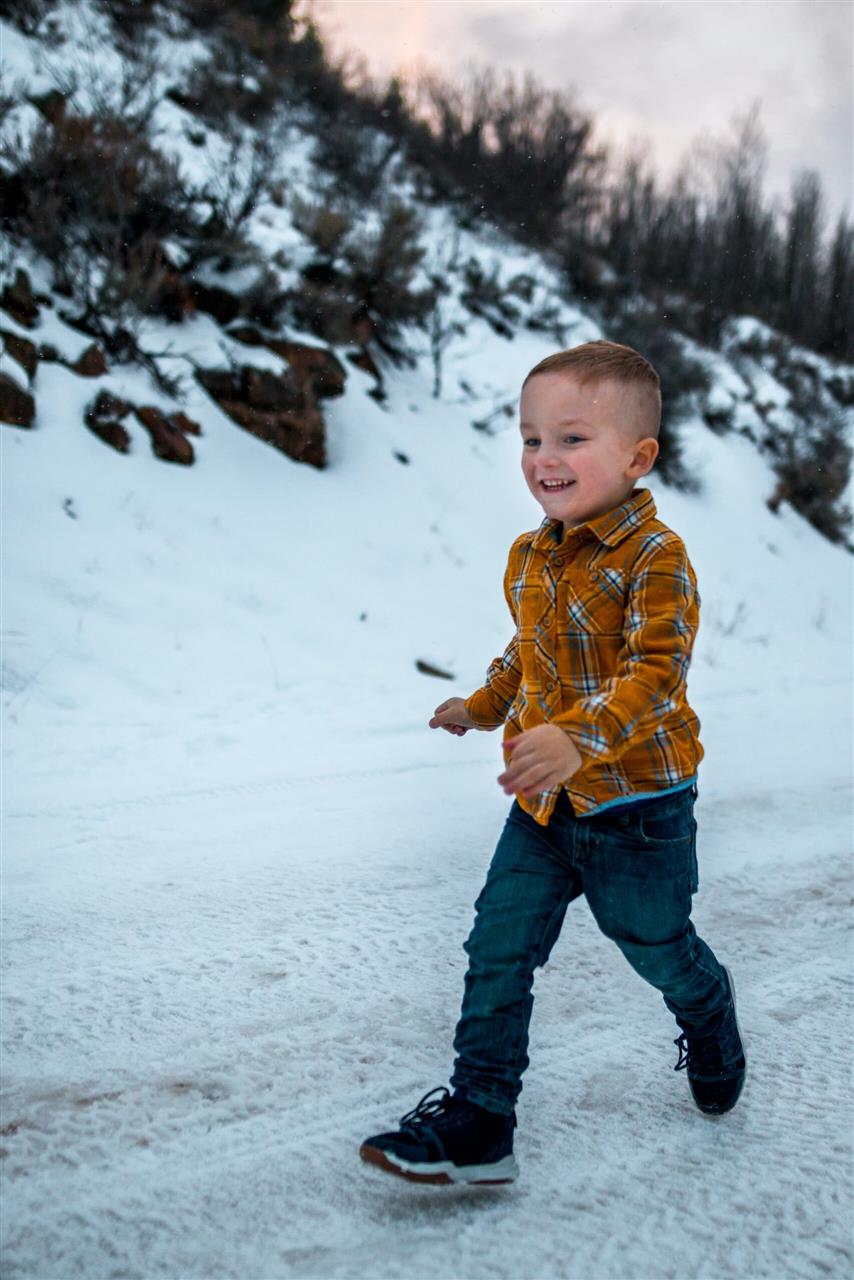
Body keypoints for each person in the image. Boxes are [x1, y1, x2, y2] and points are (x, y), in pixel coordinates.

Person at [359, 340, 746, 1186]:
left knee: (653, 943)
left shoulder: (657, 559)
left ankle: (707, 1006)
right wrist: (482, 705)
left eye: (571, 438)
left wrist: (579, 736)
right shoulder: (531, 555)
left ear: (638, 457)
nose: (544, 459)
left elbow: (655, 673)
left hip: (637, 806)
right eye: (531, 438)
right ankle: (479, 1120)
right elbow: (527, 652)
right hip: (542, 810)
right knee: (497, 945)